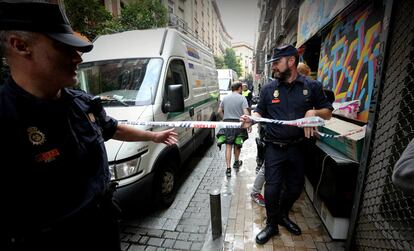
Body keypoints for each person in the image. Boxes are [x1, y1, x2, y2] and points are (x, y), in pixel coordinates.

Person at [0, 2, 178, 251]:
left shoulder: (81, 103)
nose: (78, 57)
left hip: (103, 227)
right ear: (21, 46)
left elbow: (113, 129)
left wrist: (154, 136)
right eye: (63, 46)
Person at [241, 44, 333, 245]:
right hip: (274, 148)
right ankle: (272, 225)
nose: (273, 67)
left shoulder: (312, 87)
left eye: (276, 62)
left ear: (291, 61)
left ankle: (282, 215)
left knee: (294, 188)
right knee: (272, 190)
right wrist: (251, 118)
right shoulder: (268, 89)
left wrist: (313, 112)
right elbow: (259, 112)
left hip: (299, 148)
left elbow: (328, 112)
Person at [217, 81, 251, 177]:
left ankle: (228, 168)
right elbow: (246, 113)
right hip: (239, 124)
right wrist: (248, 124)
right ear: (239, 88)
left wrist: (224, 118)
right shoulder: (242, 98)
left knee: (228, 146)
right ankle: (236, 162)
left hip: (227, 124)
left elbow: (219, 111)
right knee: (237, 144)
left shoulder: (225, 98)